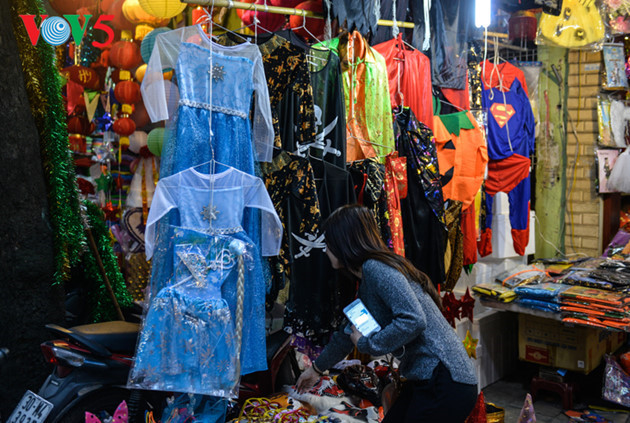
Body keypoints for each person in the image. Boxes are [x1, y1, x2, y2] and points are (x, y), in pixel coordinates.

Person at [296, 204, 478, 422]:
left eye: (328, 243)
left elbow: (414, 320)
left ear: (343, 242)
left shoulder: (376, 269)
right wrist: (316, 370)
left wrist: (367, 344)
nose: (325, 250)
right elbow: (347, 335)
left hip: (445, 380)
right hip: (433, 379)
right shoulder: (368, 278)